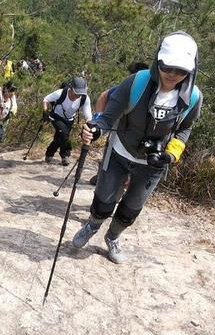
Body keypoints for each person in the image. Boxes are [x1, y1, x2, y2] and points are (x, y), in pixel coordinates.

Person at [73, 31, 202, 264]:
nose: (173, 75)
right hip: (120, 150)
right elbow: (108, 116)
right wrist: (95, 129)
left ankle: (112, 238)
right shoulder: (136, 82)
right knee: (103, 199)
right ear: (158, 61)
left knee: (131, 208)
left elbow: (185, 129)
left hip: (152, 163)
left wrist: (171, 154)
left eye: (181, 70)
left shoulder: (192, 97)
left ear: (191, 70)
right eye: (167, 67)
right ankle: (92, 225)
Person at [89, 61, 149, 185]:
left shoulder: (134, 86)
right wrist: (99, 121)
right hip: (118, 131)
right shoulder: (127, 87)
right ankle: (103, 178)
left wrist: (98, 118)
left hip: (129, 135)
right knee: (111, 156)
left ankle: (109, 180)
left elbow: (103, 95)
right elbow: (104, 96)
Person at [42, 77, 92, 166]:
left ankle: (49, 154)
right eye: (77, 93)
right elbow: (46, 99)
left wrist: (89, 123)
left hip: (69, 119)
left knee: (60, 136)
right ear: (71, 88)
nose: (78, 95)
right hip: (56, 116)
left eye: (81, 93)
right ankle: (65, 155)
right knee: (64, 134)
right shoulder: (61, 93)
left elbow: (87, 113)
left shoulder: (84, 98)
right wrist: (45, 112)